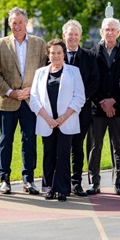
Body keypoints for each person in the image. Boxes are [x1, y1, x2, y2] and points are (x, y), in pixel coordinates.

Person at [0, 7, 47, 195]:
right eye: (14, 22)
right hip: (8, 101)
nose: (17, 26)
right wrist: (10, 92)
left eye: (20, 22)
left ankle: (28, 179)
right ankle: (4, 179)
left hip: (31, 101)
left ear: (26, 23)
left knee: (30, 140)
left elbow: (44, 72)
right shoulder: (0, 44)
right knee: (6, 140)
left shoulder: (39, 44)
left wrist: (33, 90)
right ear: (9, 24)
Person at [30, 39, 85, 202]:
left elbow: (79, 97)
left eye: (59, 53)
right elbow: (34, 98)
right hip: (46, 121)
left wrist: (62, 118)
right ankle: (48, 188)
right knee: (49, 154)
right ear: (48, 55)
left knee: (62, 154)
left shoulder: (73, 72)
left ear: (64, 55)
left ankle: (62, 189)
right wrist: (48, 119)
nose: (56, 56)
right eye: (52, 53)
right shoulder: (40, 73)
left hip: (66, 122)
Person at [87, 17, 120, 196]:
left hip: (119, 108)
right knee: (94, 146)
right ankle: (94, 182)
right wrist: (102, 101)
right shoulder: (93, 53)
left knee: (119, 147)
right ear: (101, 32)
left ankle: (119, 182)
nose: (110, 32)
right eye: (107, 29)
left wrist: (114, 101)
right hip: (97, 109)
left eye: (113, 30)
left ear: (118, 32)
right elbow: (91, 81)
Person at [62, 20, 99, 197]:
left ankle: (76, 183)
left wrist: (79, 100)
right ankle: (61, 182)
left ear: (80, 37)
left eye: (76, 35)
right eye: (70, 34)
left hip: (81, 110)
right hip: (59, 112)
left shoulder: (90, 57)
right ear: (64, 36)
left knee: (77, 148)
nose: (73, 38)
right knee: (61, 147)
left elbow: (94, 82)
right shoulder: (55, 55)